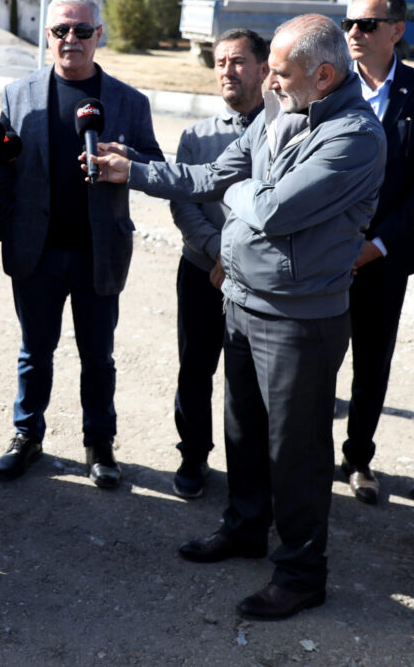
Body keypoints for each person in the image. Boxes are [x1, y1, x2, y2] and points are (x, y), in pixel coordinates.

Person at [91, 14, 385, 619]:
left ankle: (302, 573)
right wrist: (135, 171)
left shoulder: (355, 136)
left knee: (297, 453)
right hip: (243, 303)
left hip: (299, 320)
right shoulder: (283, 112)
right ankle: (247, 527)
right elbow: (210, 174)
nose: (269, 84)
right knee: (244, 432)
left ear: (323, 75)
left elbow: (273, 211)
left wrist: (237, 193)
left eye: (279, 72)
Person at [0, 0, 164, 488]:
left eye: (82, 31)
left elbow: (155, 165)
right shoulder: (17, 94)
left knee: (98, 355)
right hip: (37, 252)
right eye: (61, 30)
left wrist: (123, 156)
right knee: (33, 351)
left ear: (98, 36)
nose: (71, 39)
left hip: (99, 252)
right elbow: (3, 170)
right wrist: (7, 229)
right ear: (47, 36)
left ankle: (99, 442)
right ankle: (27, 436)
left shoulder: (130, 101)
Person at [339, 0, 414, 505]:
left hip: (385, 256)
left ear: (397, 31)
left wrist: (380, 244)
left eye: (366, 24)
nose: (354, 33)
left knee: (371, 361)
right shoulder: (330, 83)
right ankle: (309, 452)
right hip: (323, 254)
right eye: (349, 24)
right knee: (315, 358)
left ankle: (358, 457)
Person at [169, 28, 268, 499]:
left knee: (250, 378)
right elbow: (183, 202)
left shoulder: (288, 129)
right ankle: (193, 453)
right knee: (195, 366)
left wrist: (237, 261)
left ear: (265, 67)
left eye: (238, 61)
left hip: (260, 280)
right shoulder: (197, 136)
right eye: (220, 63)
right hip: (201, 271)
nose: (227, 71)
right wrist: (215, 251)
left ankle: (251, 467)